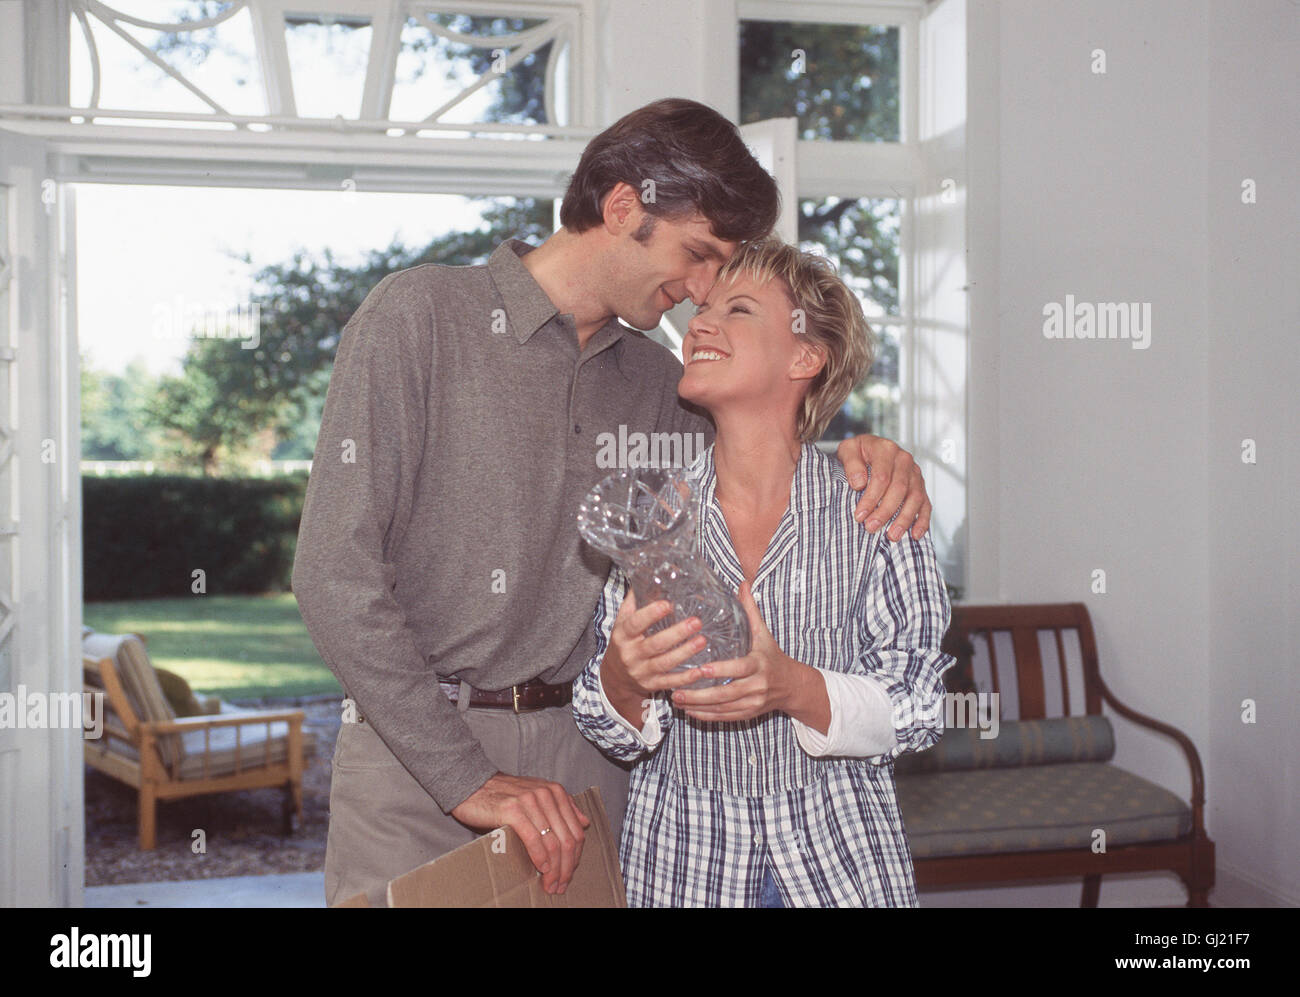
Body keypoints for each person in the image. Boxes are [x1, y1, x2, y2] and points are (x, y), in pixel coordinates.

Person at [291, 98, 935, 907]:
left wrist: (872, 454)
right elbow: (332, 576)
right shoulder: (418, 318)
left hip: (593, 772)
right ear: (624, 206)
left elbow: (770, 448)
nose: (703, 290)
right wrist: (471, 778)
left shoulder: (665, 385)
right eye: (699, 255)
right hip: (415, 760)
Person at [573, 236, 954, 907]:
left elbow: (922, 706)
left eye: (739, 310)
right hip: (681, 865)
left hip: (840, 860)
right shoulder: (647, 519)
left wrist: (793, 687)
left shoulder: (877, 509)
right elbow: (607, 726)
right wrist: (623, 679)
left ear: (806, 355)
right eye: (704, 309)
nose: (701, 324)